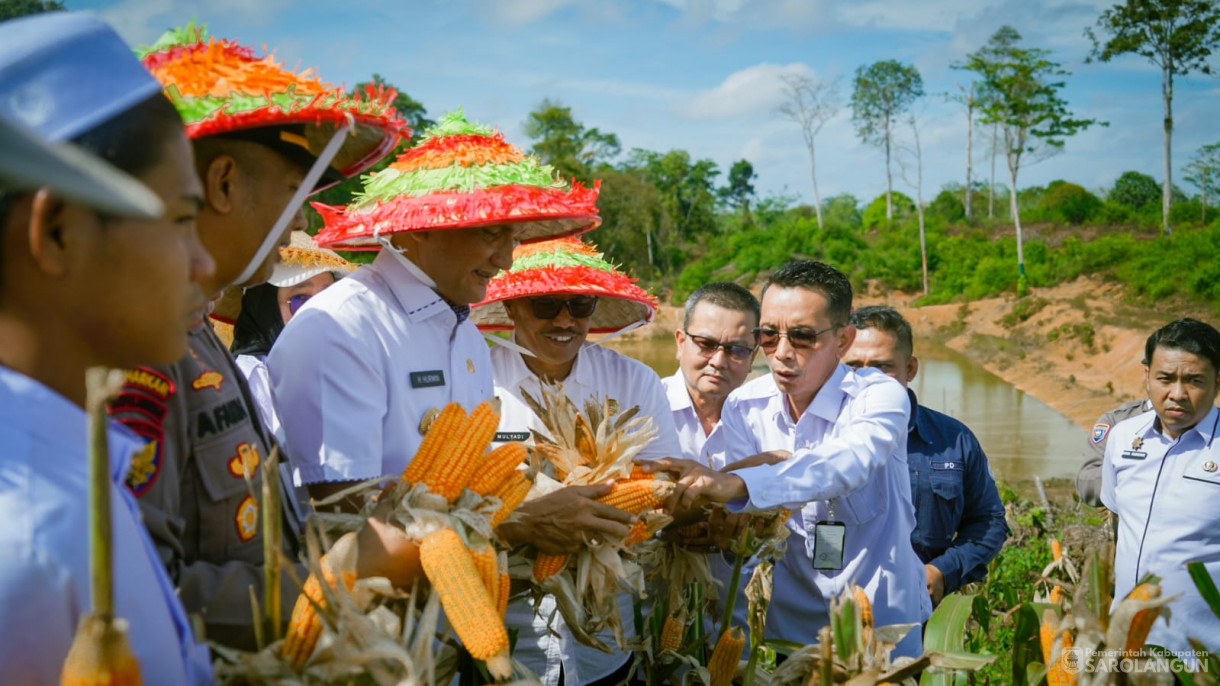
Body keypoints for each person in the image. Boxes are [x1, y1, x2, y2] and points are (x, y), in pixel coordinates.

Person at [105, 23, 410, 650]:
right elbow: (133, 601)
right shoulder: (136, 352)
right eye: (293, 192)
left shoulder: (200, 331)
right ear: (221, 185)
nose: (299, 220)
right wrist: (340, 583)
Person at [0, 12, 214, 682]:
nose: (203, 262)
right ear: (58, 232)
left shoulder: (68, 472)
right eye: (181, 220)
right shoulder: (29, 543)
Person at [271, 110, 599, 501]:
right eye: (492, 233)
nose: (507, 260)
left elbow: (475, 482)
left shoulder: (468, 339)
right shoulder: (342, 328)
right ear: (419, 228)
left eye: (515, 239)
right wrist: (517, 523)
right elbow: (342, 510)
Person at [645, 260, 931, 657]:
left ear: (843, 341)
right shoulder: (745, 406)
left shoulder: (878, 395)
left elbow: (850, 459)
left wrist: (737, 483)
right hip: (791, 633)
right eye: (767, 336)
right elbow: (758, 525)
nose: (781, 354)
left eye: (802, 337)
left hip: (882, 625)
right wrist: (719, 528)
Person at [470, 236, 679, 686]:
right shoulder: (474, 379)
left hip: (605, 635)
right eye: (545, 305)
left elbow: (664, 484)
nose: (564, 319)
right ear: (512, 309)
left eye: (579, 304)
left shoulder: (634, 381)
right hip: (506, 633)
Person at [844, 306, 1008, 607]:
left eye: (882, 367)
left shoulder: (953, 439)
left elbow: (988, 520)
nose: (867, 379)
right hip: (829, 614)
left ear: (910, 369)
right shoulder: (815, 435)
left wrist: (943, 571)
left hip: (920, 612)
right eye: (854, 366)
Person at [1102, 317, 1220, 654]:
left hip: (1202, 657)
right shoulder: (1124, 437)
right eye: (1165, 378)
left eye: (1194, 380)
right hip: (1124, 648)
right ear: (1146, 376)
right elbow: (1120, 521)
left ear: (1217, 382)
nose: (1177, 394)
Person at [212, 230, 354, 436]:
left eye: (329, 297)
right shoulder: (252, 378)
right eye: (301, 300)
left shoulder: (346, 363)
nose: (321, 312)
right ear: (265, 310)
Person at [1076, 398, 1151, 507]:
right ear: (1147, 381)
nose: (1177, 394)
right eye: (1166, 380)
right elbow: (1087, 486)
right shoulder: (1117, 420)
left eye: (1186, 380)